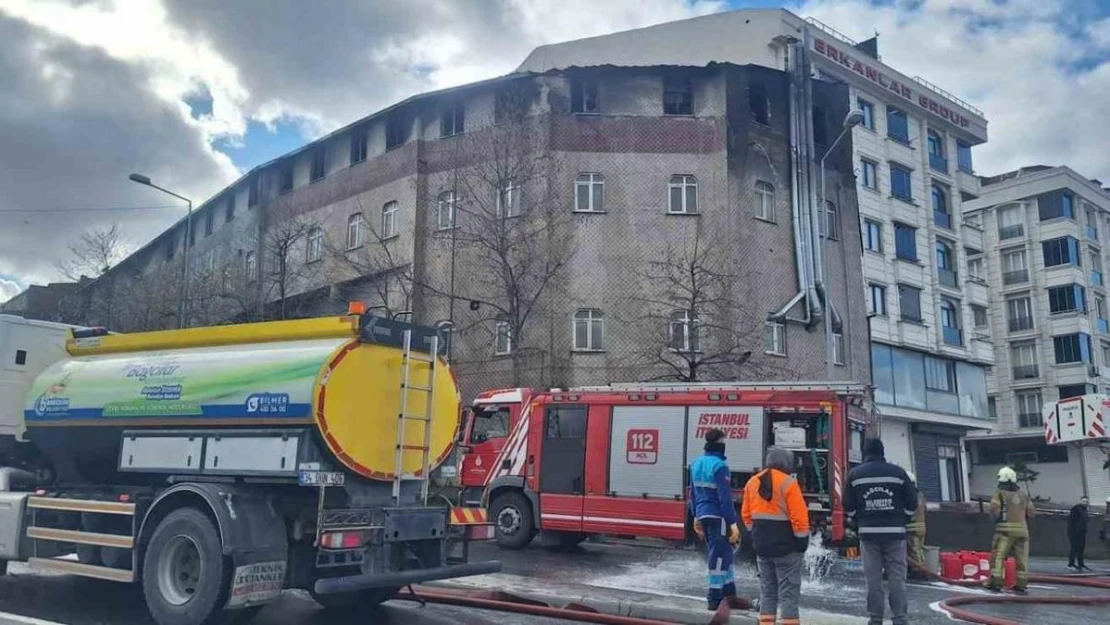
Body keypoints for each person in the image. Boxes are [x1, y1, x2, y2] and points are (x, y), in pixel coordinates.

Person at [844, 439, 916, 625]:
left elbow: (848, 505)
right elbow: (912, 502)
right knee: (897, 579)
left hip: (868, 535)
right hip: (895, 534)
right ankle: (900, 619)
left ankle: (875, 619)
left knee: (873, 580)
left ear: (864, 453)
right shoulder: (898, 473)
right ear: (882, 452)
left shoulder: (855, 475)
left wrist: (857, 521)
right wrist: (903, 519)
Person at [742, 446, 810, 625]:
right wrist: (801, 542)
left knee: (767, 592)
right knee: (788, 593)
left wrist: (755, 535)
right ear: (786, 463)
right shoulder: (788, 483)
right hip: (786, 549)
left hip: (762, 548)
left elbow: (746, 515)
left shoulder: (752, 482)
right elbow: (799, 518)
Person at [688, 428, 741, 611]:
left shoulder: (695, 463)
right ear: (720, 443)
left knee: (725, 553)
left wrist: (695, 515)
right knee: (719, 555)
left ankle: (729, 594)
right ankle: (715, 596)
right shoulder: (719, 466)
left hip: (703, 514)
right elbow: (724, 498)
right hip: (718, 517)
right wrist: (733, 523)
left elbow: (692, 493)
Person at [986, 466, 1035, 592]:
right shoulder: (1023, 494)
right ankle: (1021, 584)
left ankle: (995, 582)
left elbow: (994, 509)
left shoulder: (1000, 492)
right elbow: (1031, 513)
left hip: (1004, 532)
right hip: (1023, 532)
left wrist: (995, 519)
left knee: (998, 556)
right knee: (1022, 559)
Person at [904, 471, 928, 577]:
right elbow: (925, 509)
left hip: (912, 527)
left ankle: (919, 571)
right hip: (921, 526)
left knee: (914, 550)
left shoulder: (910, 494)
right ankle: (917, 569)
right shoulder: (920, 494)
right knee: (918, 549)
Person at [1068, 496, 1090, 571]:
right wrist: (1073, 531)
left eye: (1086, 501)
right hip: (1075, 532)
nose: (1085, 503)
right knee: (1074, 548)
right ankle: (1070, 564)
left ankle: (1081, 564)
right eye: (1084, 501)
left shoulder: (1084, 510)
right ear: (1081, 501)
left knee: (1081, 549)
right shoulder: (1076, 509)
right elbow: (1072, 521)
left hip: (1081, 532)